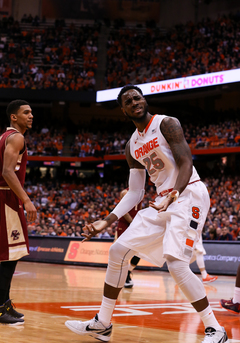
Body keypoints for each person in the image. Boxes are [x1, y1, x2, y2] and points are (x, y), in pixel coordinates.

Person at [65, 85, 228, 343]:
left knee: (176, 264)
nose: (134, 102)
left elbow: (186, 162)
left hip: (188, 194)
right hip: (162, 200)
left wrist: (173, 193)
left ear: (144, 100)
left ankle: (215, 329)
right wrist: (106, 221)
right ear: (123, 109)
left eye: (137, 97)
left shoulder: (166, 123)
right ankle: (103, 323)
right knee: (117, 251)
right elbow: (135, 192)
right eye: (128, 101)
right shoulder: (131, 145)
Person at [0, 99, 37, 325]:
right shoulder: (16, 137)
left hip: (5, 198)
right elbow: (6, 171)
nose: (31, 115)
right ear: (14, 117)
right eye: (26, 112)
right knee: (8, 257)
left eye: (31, 112)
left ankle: (4, 303)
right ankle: (0, 307)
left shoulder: (3, 137)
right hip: (7, 199)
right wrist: (27, 200)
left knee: (7, 257)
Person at [116, 189, 142, 288]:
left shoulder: (141, 193)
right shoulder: (125, 192)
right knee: (123, 251)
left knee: (140, 251)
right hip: (125, 224)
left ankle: (128, 272)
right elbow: (123, 210)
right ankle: (123, 276)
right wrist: (133, 223)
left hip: (135, 224)